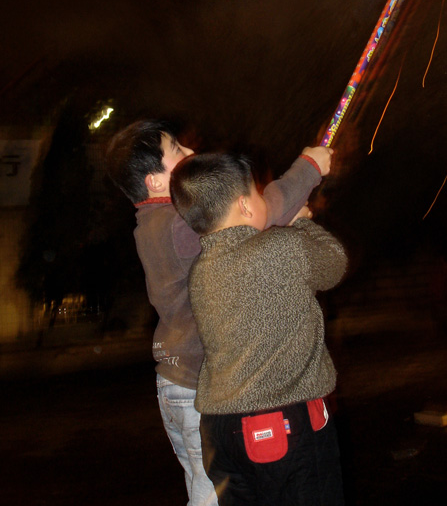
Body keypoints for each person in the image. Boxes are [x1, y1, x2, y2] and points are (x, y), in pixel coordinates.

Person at [105, 119, 333, 506]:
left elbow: (245, 235)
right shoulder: (180, 226)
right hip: (197, 387)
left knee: (217, 490)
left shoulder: (155, 224)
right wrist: (308, 169)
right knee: (213, 498)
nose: (190, 153)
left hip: (176, 384)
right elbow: (261, 210)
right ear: (155, 182)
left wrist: (277, 223)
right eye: (176, 151)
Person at [170, 151, 347, 506]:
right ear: (246, 207)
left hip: (220, 434)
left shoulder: (201, 271)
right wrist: (302, 223)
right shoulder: (283, 247)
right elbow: (335, 264)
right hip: (280, 424)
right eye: (257, 191)